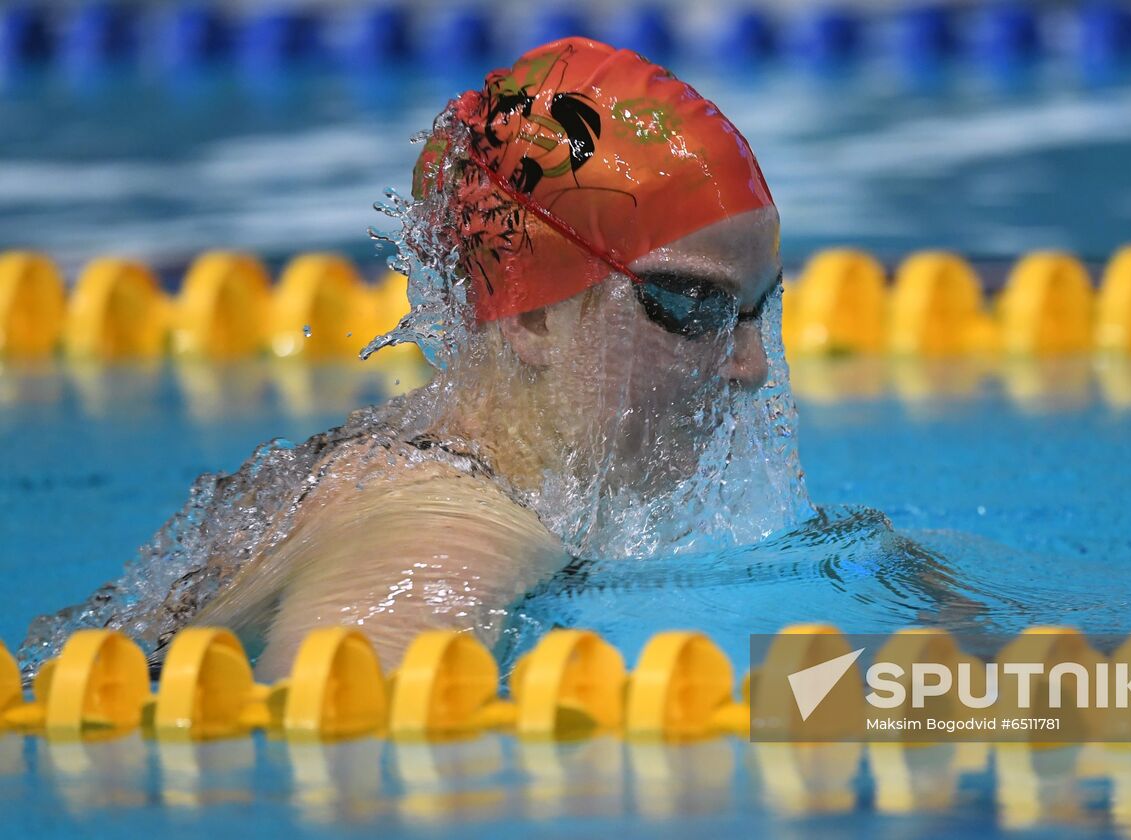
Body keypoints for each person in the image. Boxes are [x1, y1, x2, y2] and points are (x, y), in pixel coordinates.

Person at [20, 37, 807, 681]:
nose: (750, 366)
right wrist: (911, 711)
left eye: (757, 309)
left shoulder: (430, 463)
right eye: (692, 307)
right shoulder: (448, 546)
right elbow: (334, 769)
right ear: (530, 315)